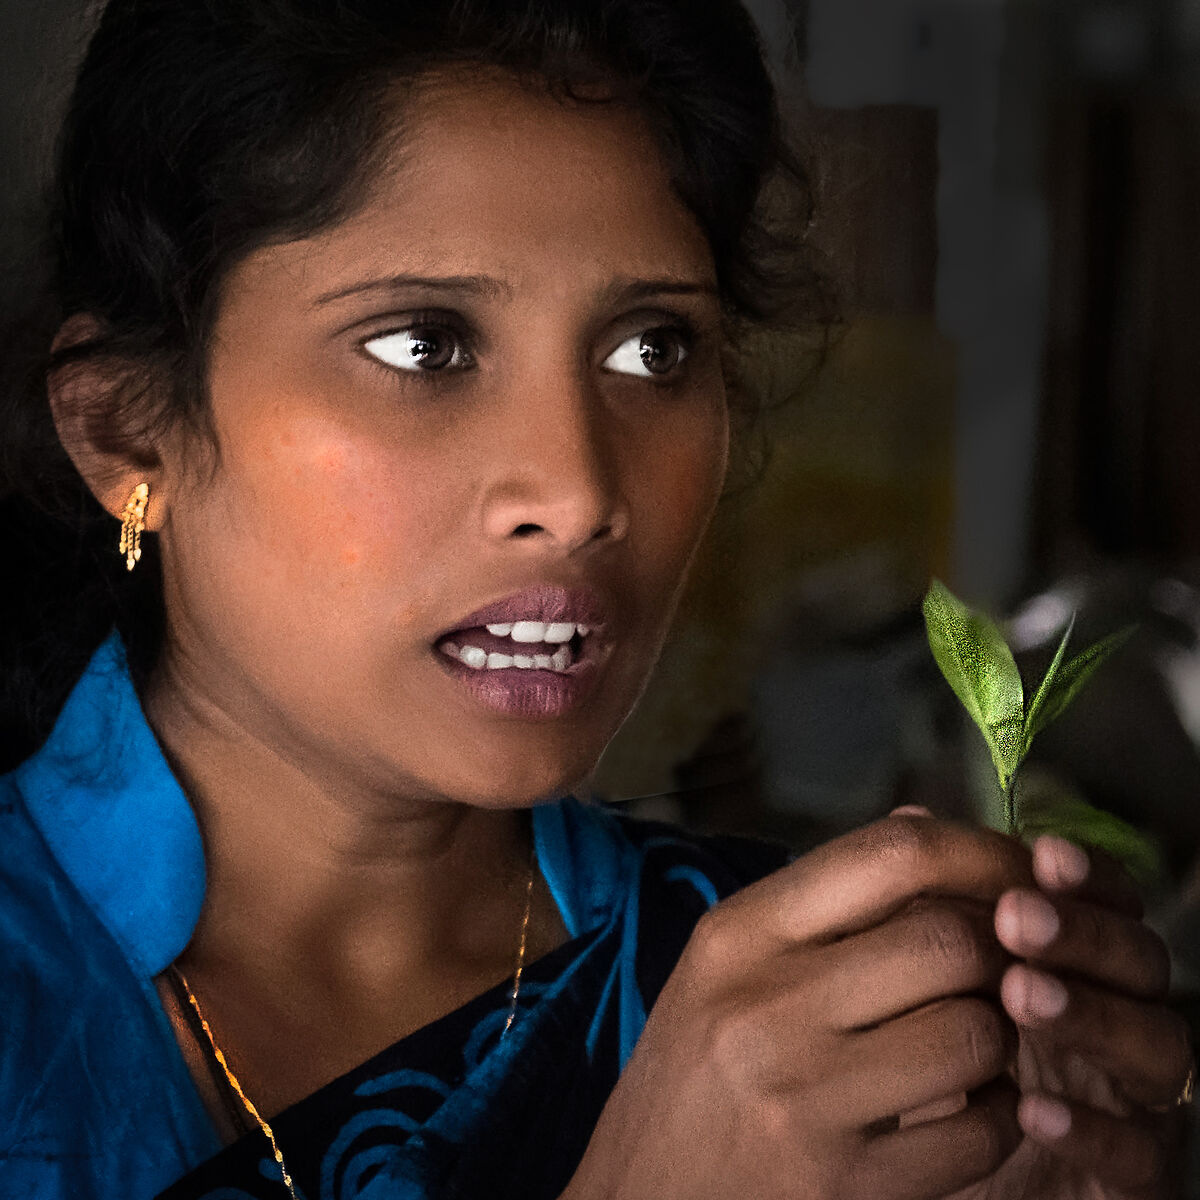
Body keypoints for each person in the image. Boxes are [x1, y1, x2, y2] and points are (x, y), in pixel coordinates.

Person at [0, 2, 1191, 1197]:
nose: (577, 492)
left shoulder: (802, 1019)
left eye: (652, 351)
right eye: (423, 347)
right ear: (126, 430)